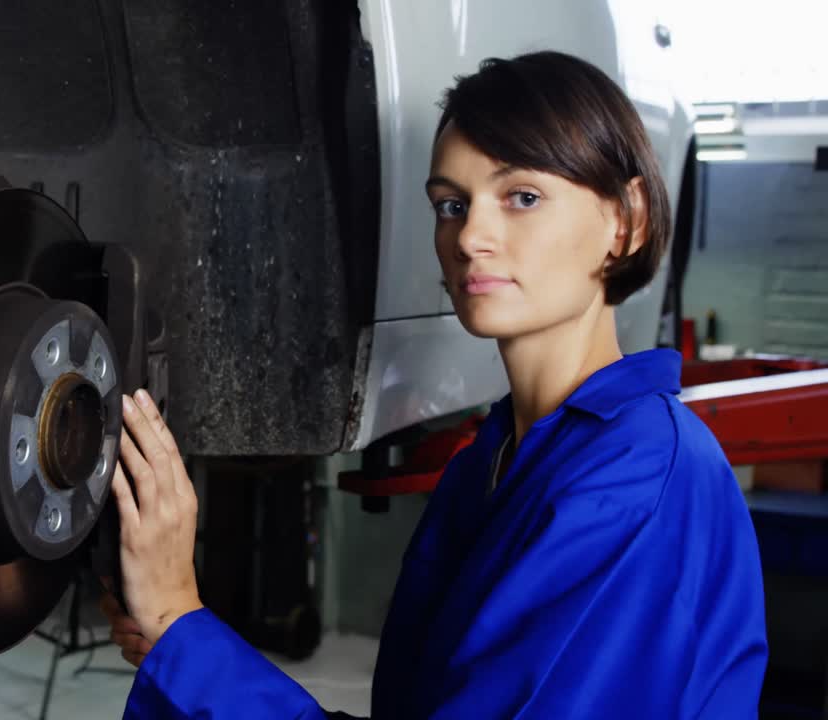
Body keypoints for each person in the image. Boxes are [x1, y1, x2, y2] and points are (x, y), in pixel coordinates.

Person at [101, 51, 768, 719]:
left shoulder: (638, 480)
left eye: (523, 197)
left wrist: (180, 624)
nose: (469, 236)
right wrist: (183, 643)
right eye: (450, 204)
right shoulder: (493, 460)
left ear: (627, 220)